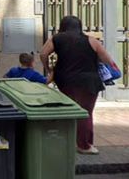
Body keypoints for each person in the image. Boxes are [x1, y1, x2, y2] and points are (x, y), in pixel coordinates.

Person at [40, 15, 117, 155]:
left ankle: (67, 142)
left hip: (65, 80)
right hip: (89, 82)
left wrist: (49, 69)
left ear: (63, 26)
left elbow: (43, 54)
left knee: (69, 111)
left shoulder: (56, 39)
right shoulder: (92, 41)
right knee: (85, 112)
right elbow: (107, 59)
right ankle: (84, 145)